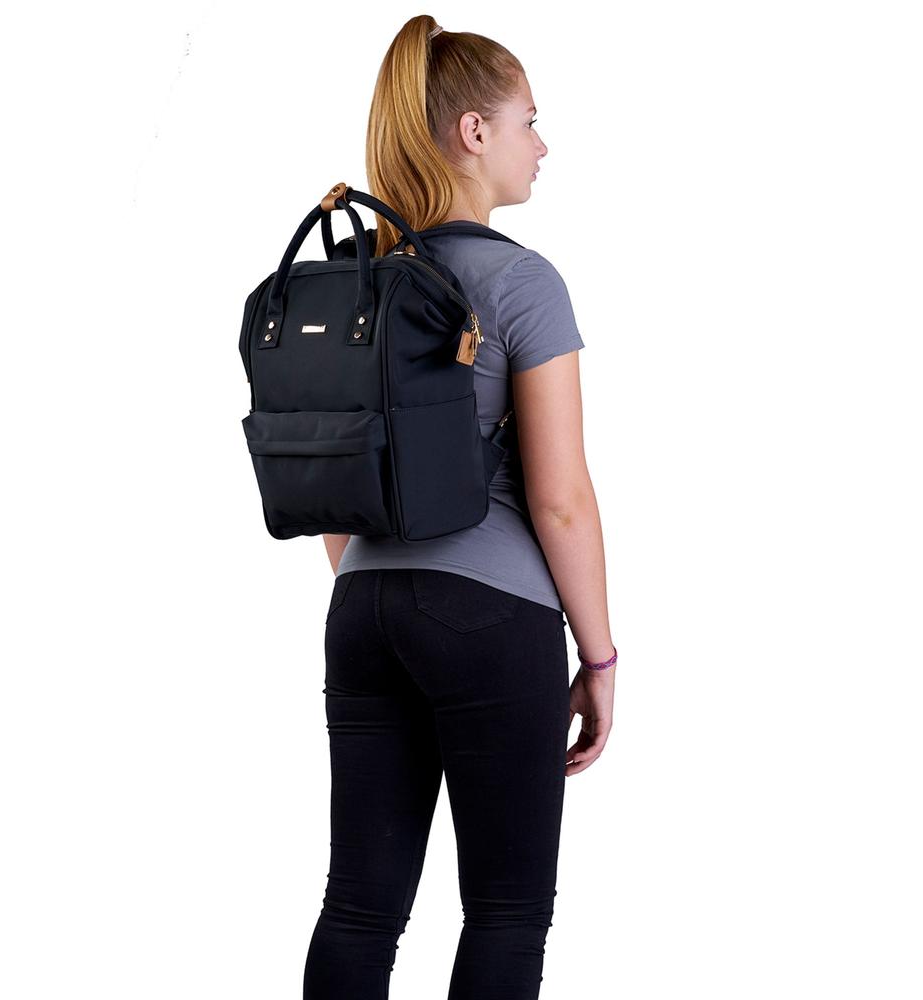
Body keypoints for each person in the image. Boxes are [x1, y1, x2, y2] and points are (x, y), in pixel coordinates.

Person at [303, 16, 617, 1000]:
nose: (542, 144)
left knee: (359, 909)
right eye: (529, 120)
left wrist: (391, 588)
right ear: (475, 132)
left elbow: (331, 475)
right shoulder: (521, 282)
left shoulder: (354, 283)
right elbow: (560, 500)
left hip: (360, 610)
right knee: (506, 912)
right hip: (492, 616)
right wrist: (600, 658)